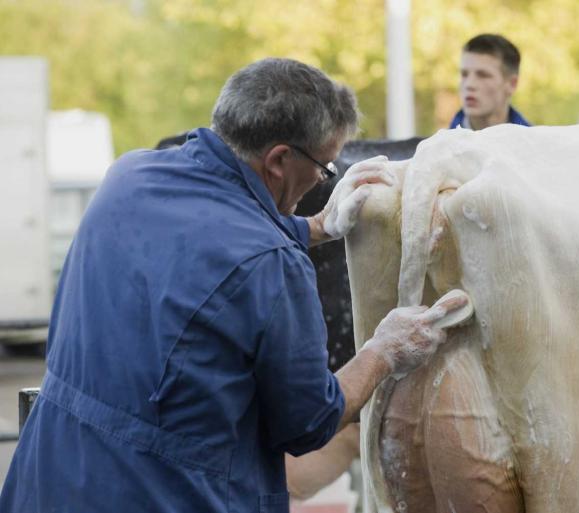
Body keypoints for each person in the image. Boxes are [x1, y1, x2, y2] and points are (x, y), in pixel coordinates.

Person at [0, 58, 466, 513]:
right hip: (170, 494)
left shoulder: (128, 176)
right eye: (325, 168)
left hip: (50, 478)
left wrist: (314, 227)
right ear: (280, 159)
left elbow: (207, 233)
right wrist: (382, 351)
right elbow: (308, 422)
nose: (322, 179)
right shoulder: (273, 265)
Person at [449, 33, 531, 130]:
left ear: (512, 84)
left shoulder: (536, 144)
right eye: (464, 74)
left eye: (483, 75)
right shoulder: (435, 144)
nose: (469, 84)